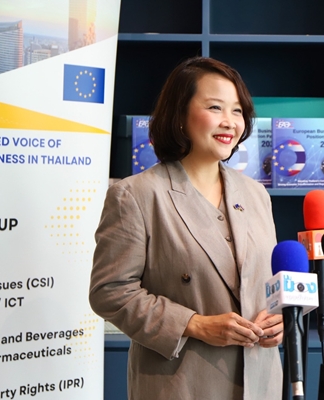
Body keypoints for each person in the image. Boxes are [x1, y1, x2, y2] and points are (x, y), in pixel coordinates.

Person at [89, 57, 283, 400]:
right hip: (182, 383)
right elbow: (110, 292)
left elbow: (263, 281)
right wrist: (194, 324)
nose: (229, 121)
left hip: (260, 382)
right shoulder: (136, 195)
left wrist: (280, 319)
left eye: (238, 110)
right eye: (215, 107)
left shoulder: (256, 194)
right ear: (179, 114)